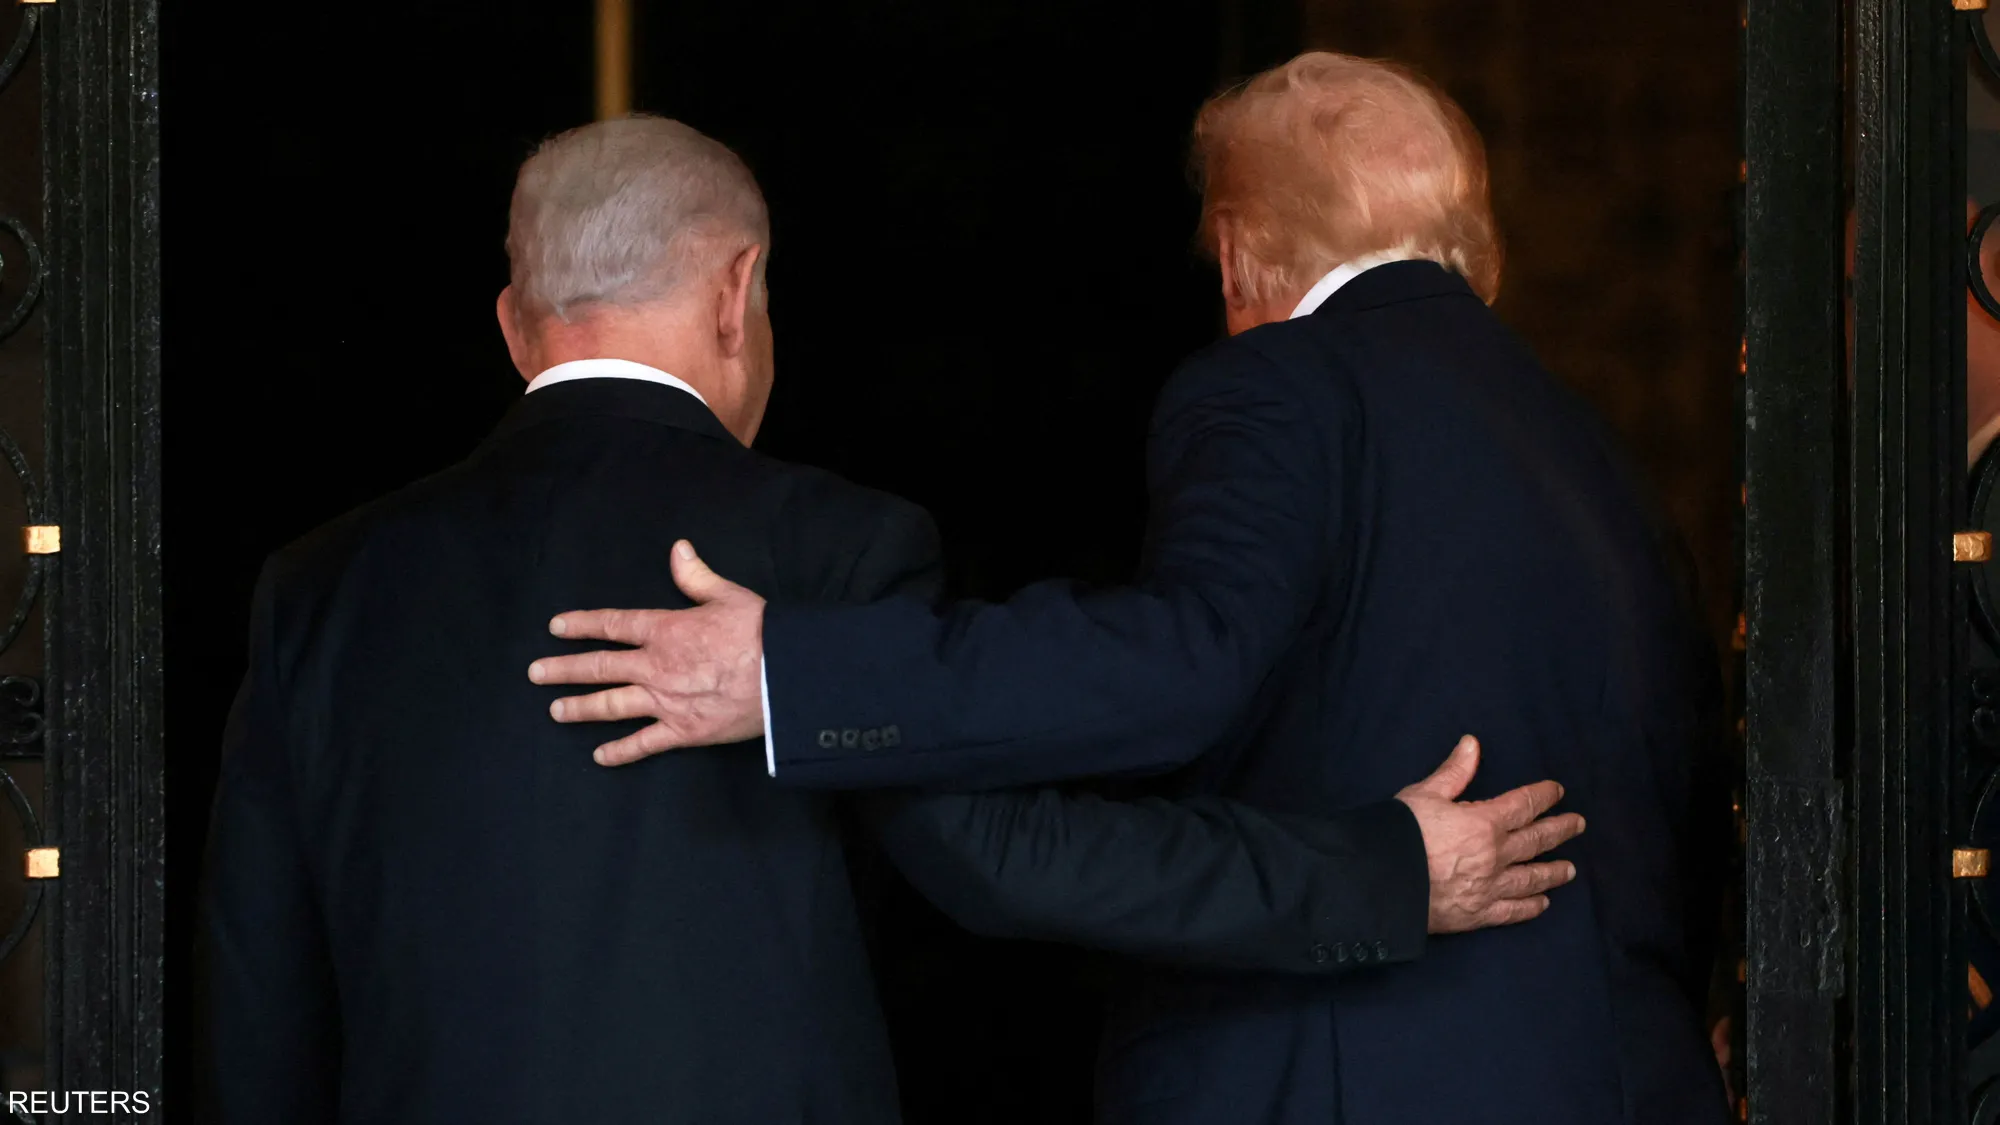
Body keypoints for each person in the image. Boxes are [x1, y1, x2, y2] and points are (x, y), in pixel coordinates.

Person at [196, 115, 1586, 1125]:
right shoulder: (828, 546)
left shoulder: (318, 586)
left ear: (515, 324)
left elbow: (258, 998)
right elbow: (1015, 863)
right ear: (739, 292)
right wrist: (1381, 871)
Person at [533, 54, 1729, 1125]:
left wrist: (791, 672)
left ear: (1238, 249)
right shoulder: (1596, 449)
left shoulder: (1276, 386)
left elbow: (1180, 668)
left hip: (1350, 1077)